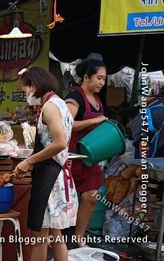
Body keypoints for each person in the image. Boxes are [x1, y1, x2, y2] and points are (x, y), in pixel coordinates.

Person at [14, 67, 77, 261]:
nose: (26, 95)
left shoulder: (50, 107)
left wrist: (29, 161)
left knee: (39, 237)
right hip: (58, 175)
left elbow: (59, 142)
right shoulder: (59, 103)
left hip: (50, 179)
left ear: (34, 86)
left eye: (25, 90)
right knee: (56, 235)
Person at [65, 53, 107, 247]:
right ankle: (52, 236)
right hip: (71, 156)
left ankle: (79, 238)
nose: (102, 82)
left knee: (90, 196)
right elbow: (66, 124)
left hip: (90, 157)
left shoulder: (98, 99)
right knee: (64, 199)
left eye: (104, 79)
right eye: (99, 78)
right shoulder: (74, 97)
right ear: (87, 77)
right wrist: (95, 120)